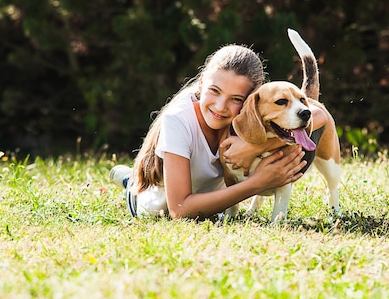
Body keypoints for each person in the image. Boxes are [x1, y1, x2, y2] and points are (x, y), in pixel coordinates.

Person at [110, 44, 324, 219]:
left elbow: (320, 114)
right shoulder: (177, 120)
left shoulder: (246, 117)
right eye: (215, 91)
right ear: (202, 83)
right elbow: (179, 210)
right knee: (136, 187)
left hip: (212, 204)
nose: (221, 107)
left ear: (251, 101)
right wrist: (256, 184)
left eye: (236, 99)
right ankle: (129, 180)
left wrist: (253, 146)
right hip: (158, 205)